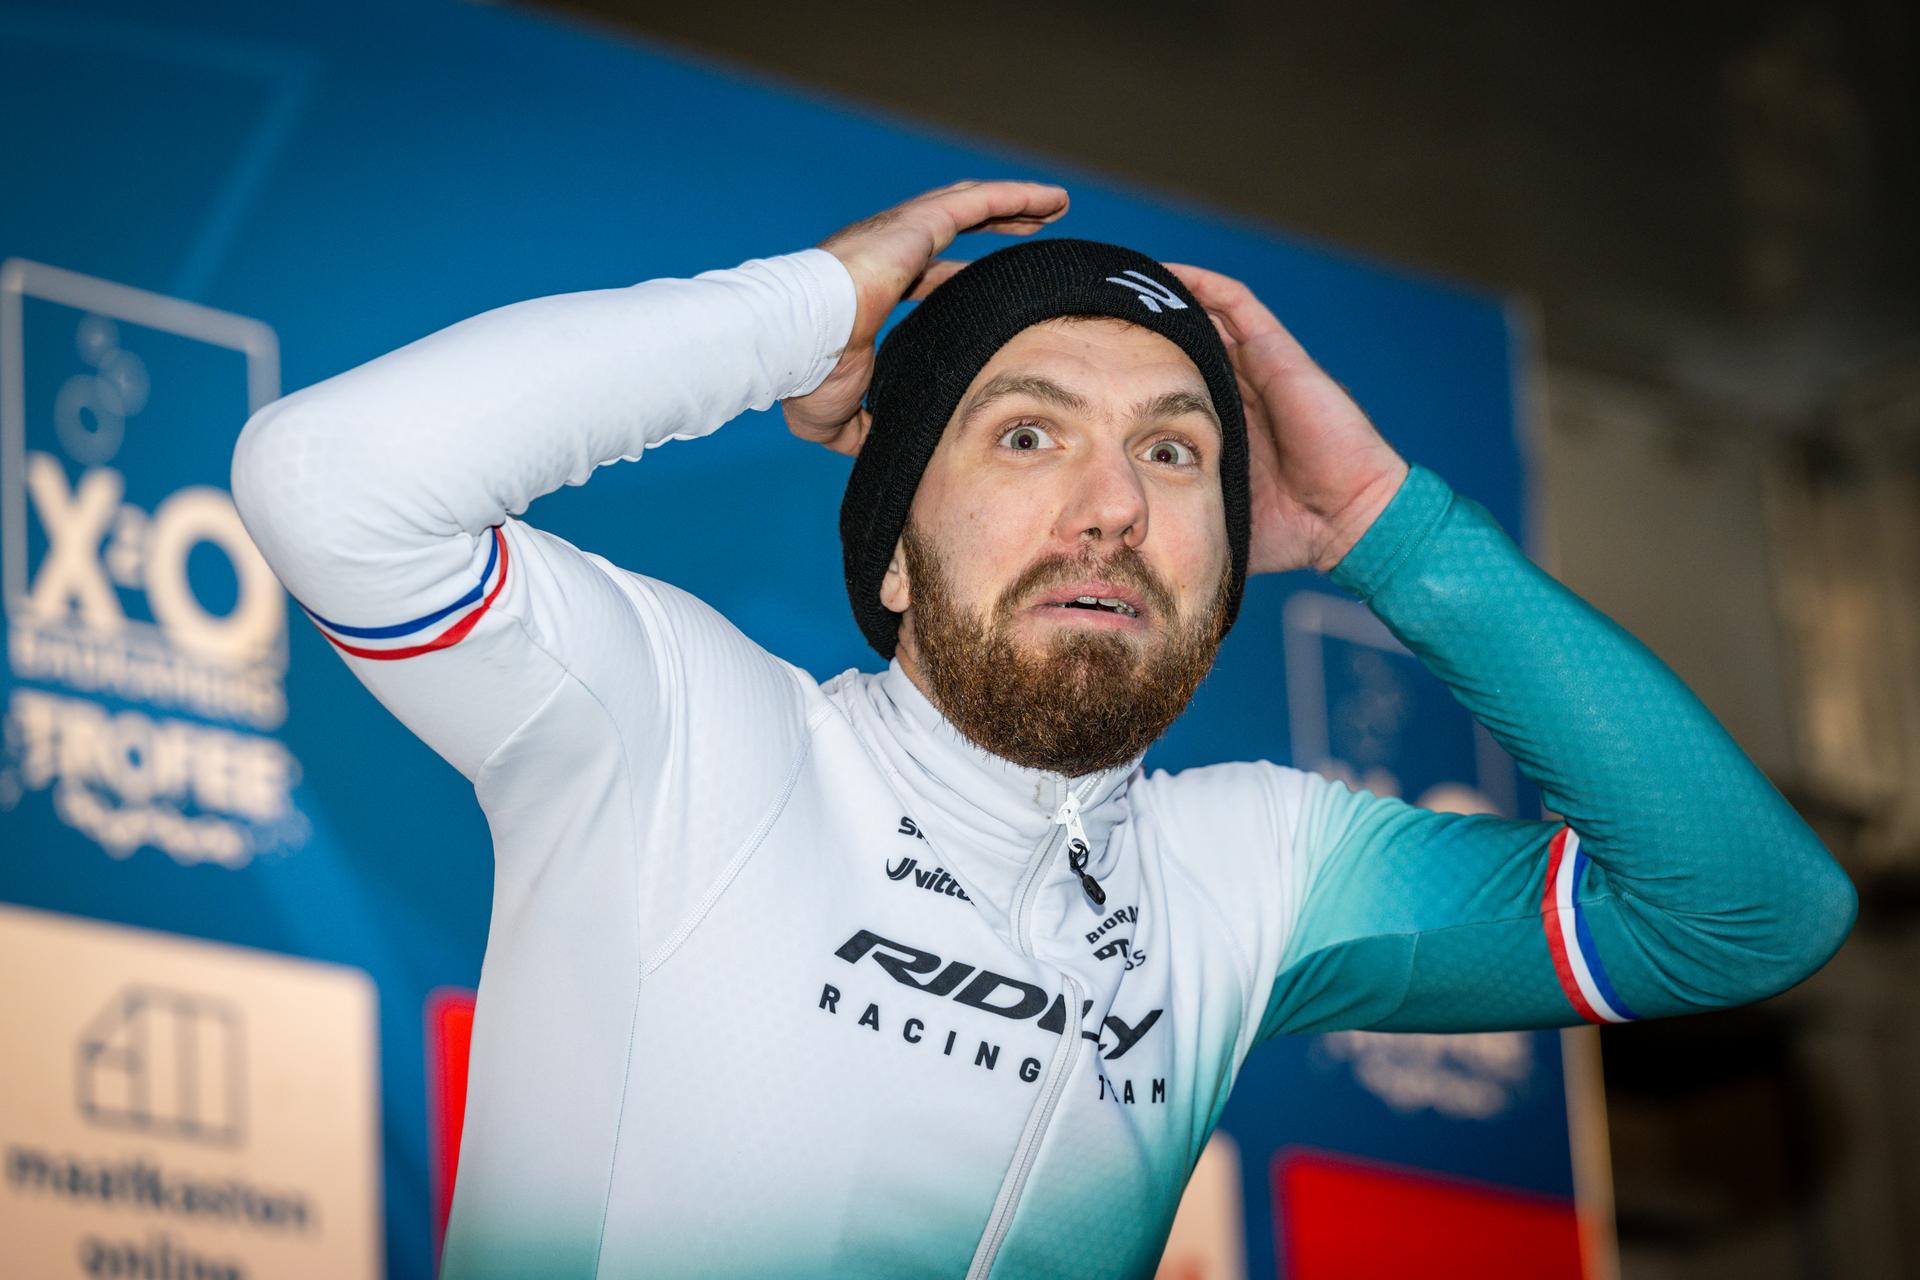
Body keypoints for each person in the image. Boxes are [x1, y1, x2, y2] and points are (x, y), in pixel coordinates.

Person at [229, 180, 1856, 1279]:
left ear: (1227, 577)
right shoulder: (680, 736)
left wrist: (1388, 527)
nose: (1109, 510)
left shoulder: (1257, 872)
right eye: (1026, 433)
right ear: (888, 545)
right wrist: (799, 309)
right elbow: (331, 484)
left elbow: (1749, 916)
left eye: (1173, 456)